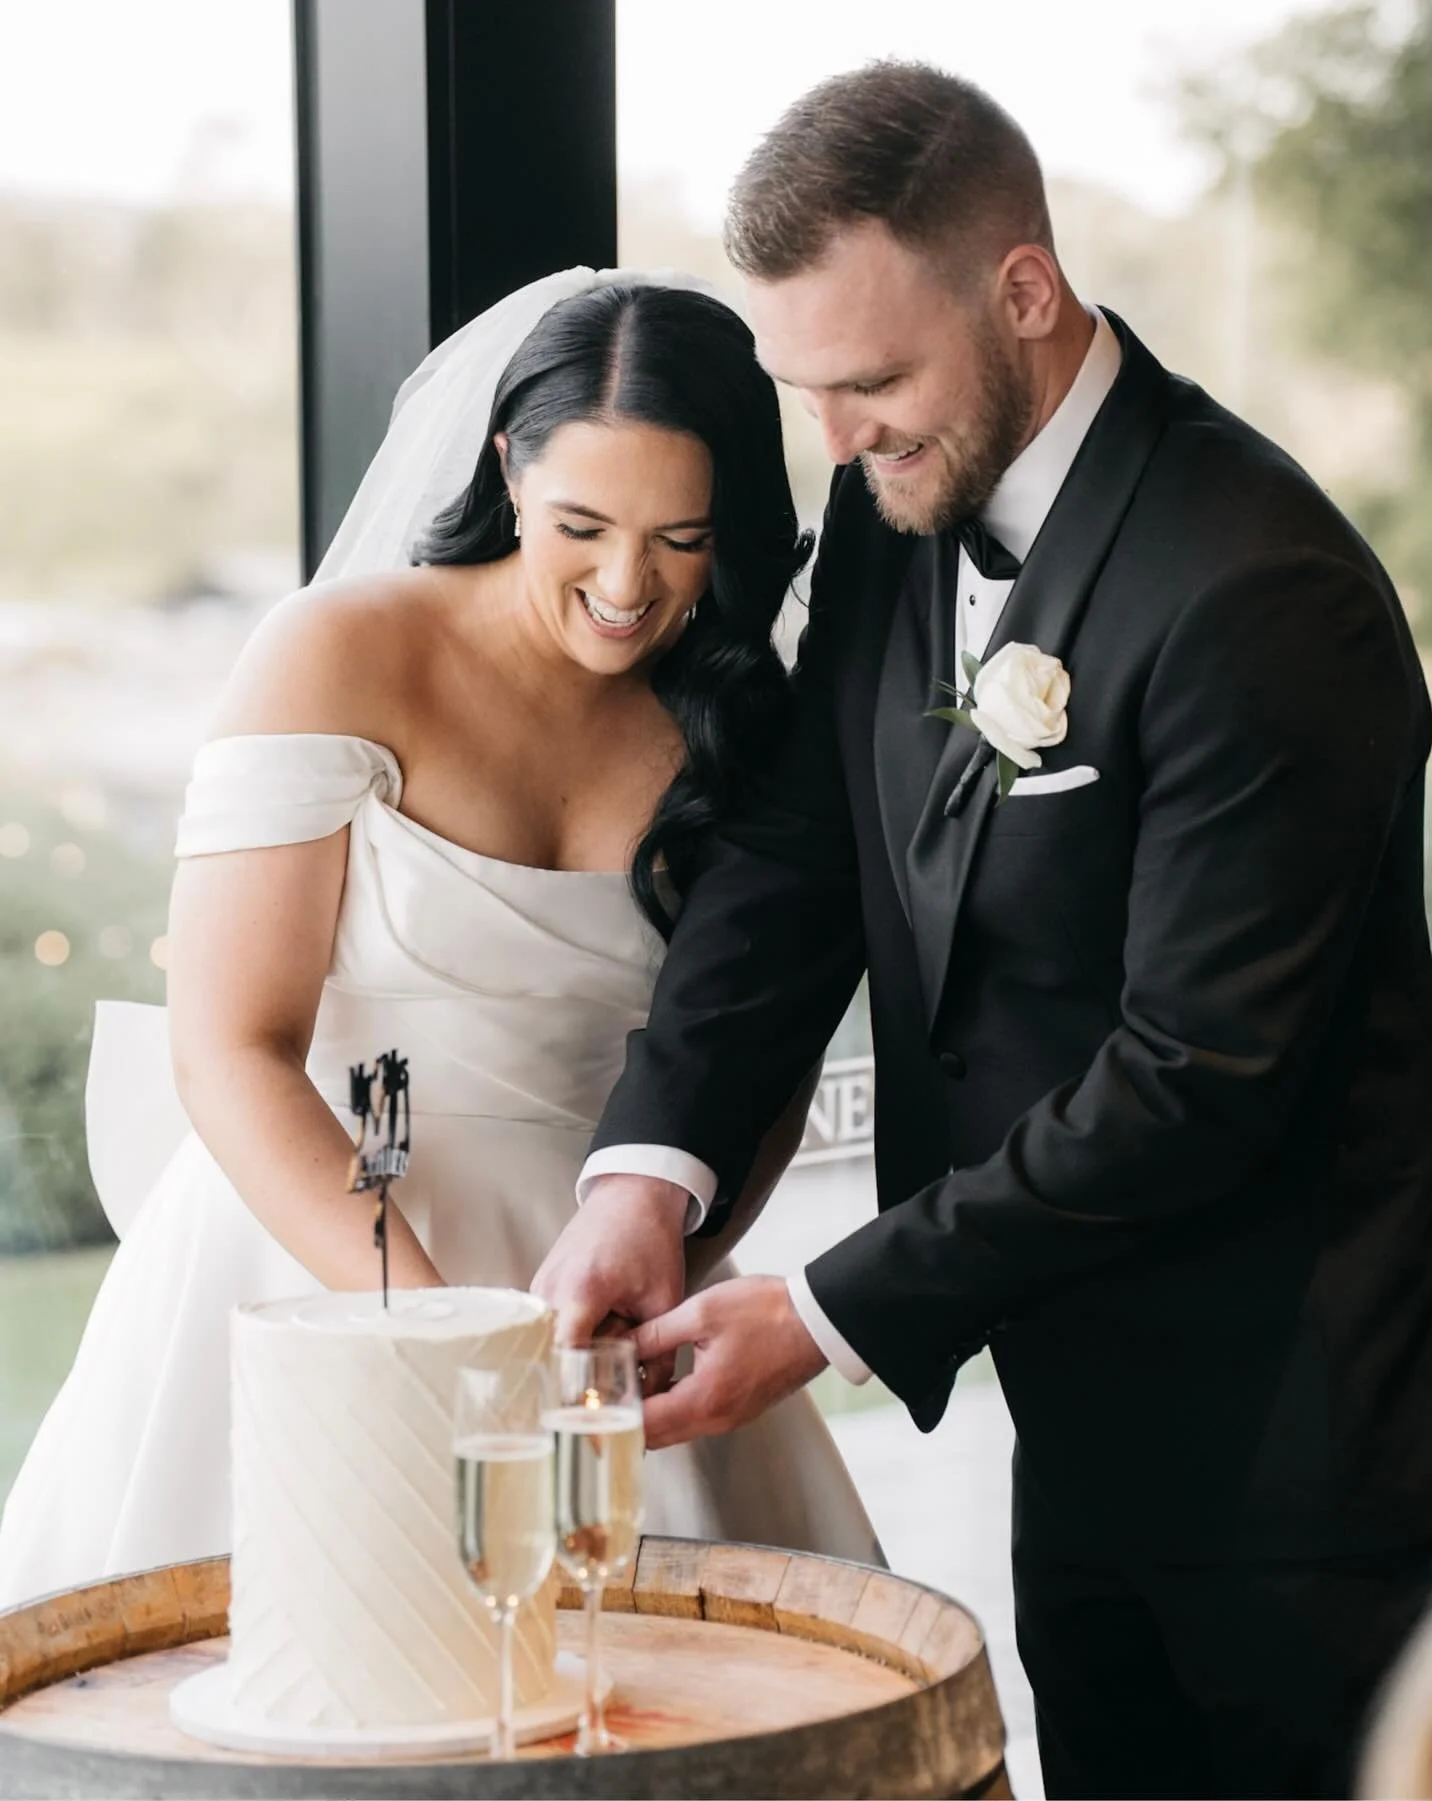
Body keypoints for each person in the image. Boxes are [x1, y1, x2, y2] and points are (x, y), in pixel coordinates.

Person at [533, 66, 1432, 1800]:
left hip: (1309, 1449)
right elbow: (799, 864)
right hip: (1078, 1406)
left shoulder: (1261, 587)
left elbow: (1199, 1077)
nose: (842, 440)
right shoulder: (903, 510)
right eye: (808, 393)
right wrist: (645, 1174)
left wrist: (822, 1314)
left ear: (1024, 291)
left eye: (874, 381)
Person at [0, 270, 880, 1609]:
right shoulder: (339, 654)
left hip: (600, 1297)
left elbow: (752, 1057)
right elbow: (231, 1048)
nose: (627, 586)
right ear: (503, 467)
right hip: (316, 1260)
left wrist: (664, 1282)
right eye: (580, 524)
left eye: (681, 538)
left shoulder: (751, 718)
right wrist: (425, 1337)